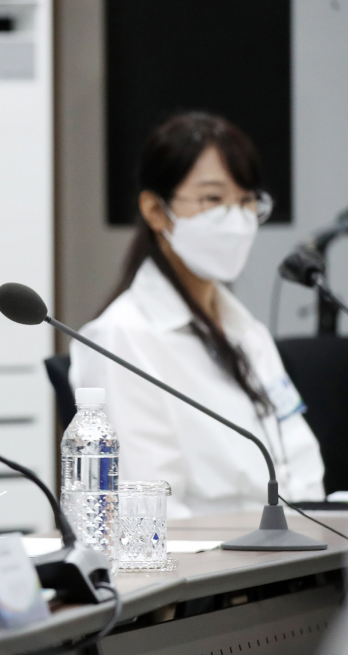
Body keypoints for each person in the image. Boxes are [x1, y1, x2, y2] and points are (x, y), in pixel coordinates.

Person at [71, 111, 325, 518]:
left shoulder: (248, 331)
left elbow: (301, 457)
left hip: (292, 558)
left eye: (246, 201)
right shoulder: (122, 337)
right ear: (156, 211)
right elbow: (150, 504)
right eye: (212, 199)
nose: (236, 219)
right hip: (213, 568)